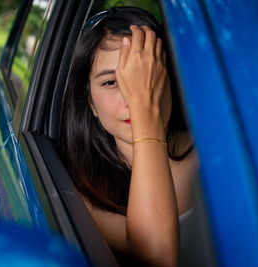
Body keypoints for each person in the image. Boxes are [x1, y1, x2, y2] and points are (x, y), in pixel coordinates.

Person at [62, 6, 198, 266]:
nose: (132, 97)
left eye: (144, 77)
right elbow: (156, 256)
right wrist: (147, 114)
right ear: (90, 102)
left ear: (170, 79)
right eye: (111, 82)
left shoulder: (218, 153)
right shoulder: (82, 191)